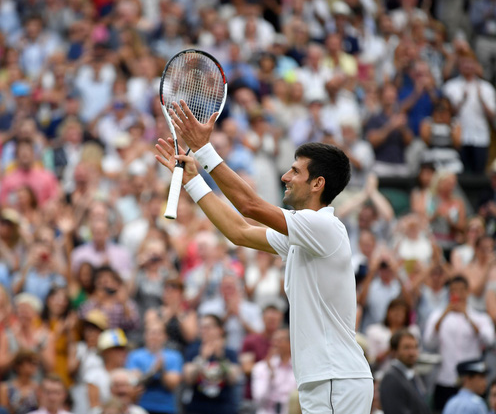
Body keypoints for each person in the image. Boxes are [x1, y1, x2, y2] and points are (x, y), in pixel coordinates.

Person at [156, 100, 372, 413]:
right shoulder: (306, 234)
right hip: (326, 381)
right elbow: (239, 231)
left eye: (295, 171)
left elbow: (250, 207)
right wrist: (193, 181)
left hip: (336, 380)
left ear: (317, 184)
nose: (285, 176)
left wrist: (203, 149)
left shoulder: (323, 226)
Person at [424, 275, 495, 412]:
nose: (457, 294)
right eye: (453, 290)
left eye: (461, 290)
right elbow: (429, 342)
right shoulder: (437, 315)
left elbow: (489, 340)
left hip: (471, 380)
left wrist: (467, 317)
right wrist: (444, 315)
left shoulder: (479, 316)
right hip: (446, 378)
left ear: (468, 291)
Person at [379, 330, 430, 414]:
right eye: (406, 348)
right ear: (394, 351)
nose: (412, 353)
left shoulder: (413, 375)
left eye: (415, 347)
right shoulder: (391, 379)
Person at [251, 328, 297, 414]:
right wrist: (270, 373)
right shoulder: (261, 367)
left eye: (280, 341)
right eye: (274, 341)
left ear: (291, 343)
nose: (275, 344)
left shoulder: (298, 368)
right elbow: (259, 398)